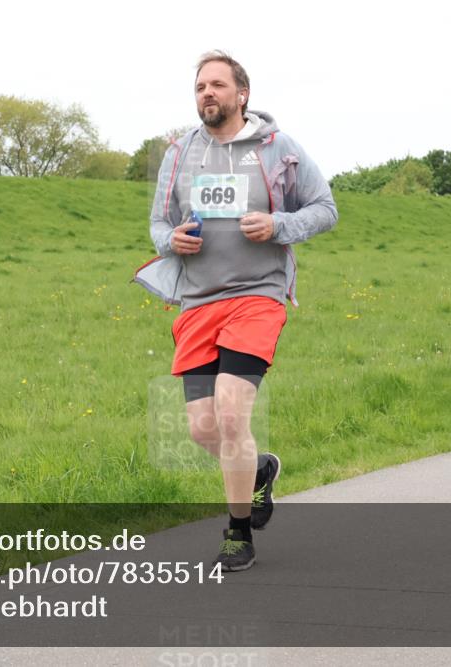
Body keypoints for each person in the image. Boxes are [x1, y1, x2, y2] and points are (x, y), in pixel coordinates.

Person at [134, 51, 337, 571]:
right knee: (204, 428)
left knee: (229, 411)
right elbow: (158, 226)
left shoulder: (278, 149)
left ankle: (237, 531)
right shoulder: (179, 154)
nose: (207, 93)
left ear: (241, 94)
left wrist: (278, 226)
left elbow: (324, 209)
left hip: (257, 296)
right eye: (200, 85)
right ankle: (260, 469)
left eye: (217, 85)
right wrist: (171, 240)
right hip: (198, 303)